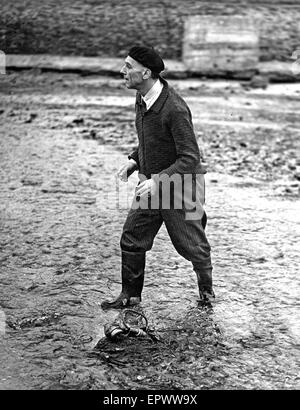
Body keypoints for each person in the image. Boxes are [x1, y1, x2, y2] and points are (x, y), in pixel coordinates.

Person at [101, 46, 214, 310]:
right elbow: (151, 140)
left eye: (129, 66)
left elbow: (190, 158)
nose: (122, 71)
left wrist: (157, 181)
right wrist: (134, 159)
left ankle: (207, 295)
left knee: (193, 247)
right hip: (152, 186)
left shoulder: (174, 108)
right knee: (131, 238)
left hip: (182, 187)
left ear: (146, 72)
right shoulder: (142, 98)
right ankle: (130, 297)